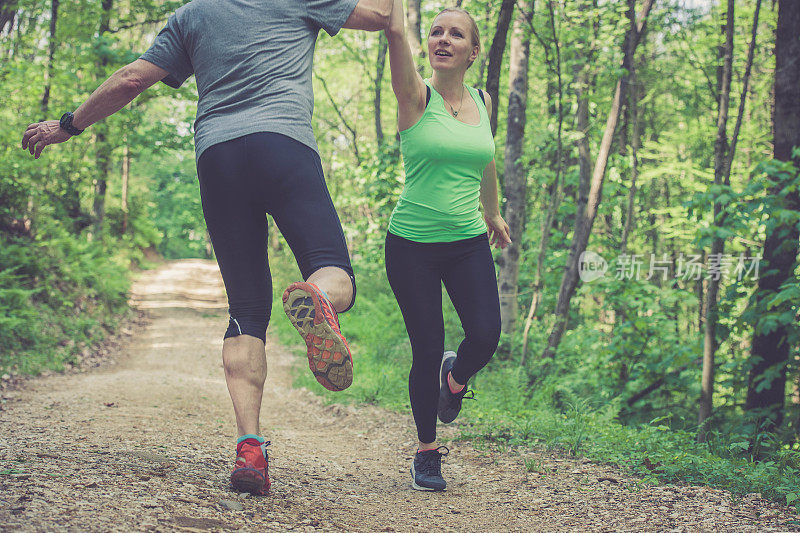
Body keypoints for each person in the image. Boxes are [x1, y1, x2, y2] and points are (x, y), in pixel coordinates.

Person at [21, 0, 394, 496]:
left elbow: (133, 79)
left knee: (246, 307)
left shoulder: (192, 14)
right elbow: (381, 15)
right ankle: (319, 297)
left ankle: (250, 448)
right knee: (333, 269)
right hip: (285, 146)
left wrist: (67, 126)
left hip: (218, 158)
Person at [383, 1, 511, 492]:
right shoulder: (415, 96)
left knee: (485, 334)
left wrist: (492, 212)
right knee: (427, 345)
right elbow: (398, 41)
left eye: (456, 35)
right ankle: (427, 451)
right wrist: (396, 20)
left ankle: (454, 381)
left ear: (473, 51)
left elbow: (487, 160)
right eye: (436, 32)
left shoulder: (482, 100)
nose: (443, 40)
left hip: (466, 242)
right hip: (411, 244)